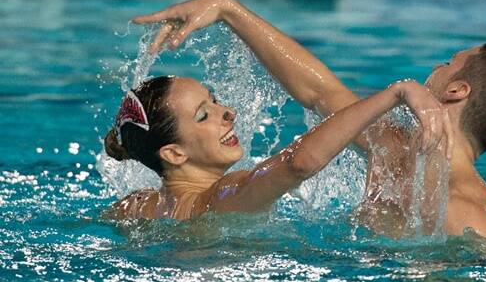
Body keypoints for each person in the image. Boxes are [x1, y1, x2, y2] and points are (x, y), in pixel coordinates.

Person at [131, 0, 486, 243]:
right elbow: (319, 92)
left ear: (457, 91)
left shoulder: (466, 208)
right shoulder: (394, 145)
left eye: (450, 62)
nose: (438, 64)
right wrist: (228, 9)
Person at [104, 73, 446, 220]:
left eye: (216, 100)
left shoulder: (136, 207)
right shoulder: (221, 197)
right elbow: (298, 163)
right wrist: (395, 94)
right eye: (204, 115)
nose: (228, 113)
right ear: (175, 154)